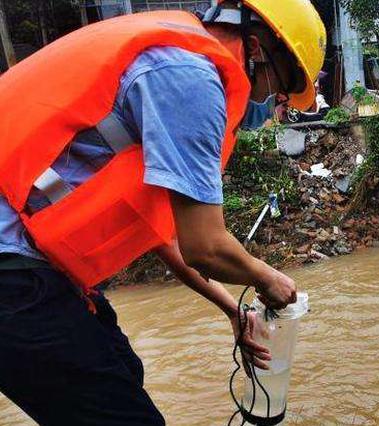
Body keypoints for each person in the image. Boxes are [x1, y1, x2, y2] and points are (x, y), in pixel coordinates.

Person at [0, 1, 326, 424]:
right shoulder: (192, 79)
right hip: (13, 270)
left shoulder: (173, 57)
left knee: (123, 374)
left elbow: (164, 237)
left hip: (32, 265)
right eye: (277, 88)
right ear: (256, 48)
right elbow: (204, 247)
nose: (270, 101)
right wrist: (269, 280)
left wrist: (233, 310)